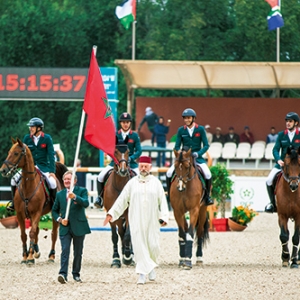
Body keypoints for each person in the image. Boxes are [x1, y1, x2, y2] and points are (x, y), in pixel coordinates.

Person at [103, 156, 169, 285]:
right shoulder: (132, 183)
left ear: (150, 167)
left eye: (146, 166)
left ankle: (151, 266)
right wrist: (111, 213)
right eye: (141, 166)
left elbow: (163, 202)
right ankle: (142, 274)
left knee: (154, 245)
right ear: (138, 167)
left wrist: (164, 217)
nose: (143, 169)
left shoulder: (156, 183)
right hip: (136, 219)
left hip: (152, 220)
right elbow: (122, 200)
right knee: (139, 246)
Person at [166, 108, 214, 206]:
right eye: (185, 118)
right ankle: (168, 195)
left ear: (193, 118)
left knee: (208, 174)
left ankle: (207, 196)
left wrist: (198, 153)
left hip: (197, 157)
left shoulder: (200, 129)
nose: (187, 120)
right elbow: (176, 146)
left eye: (188, 118)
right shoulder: (181, 130)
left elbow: (206, 145)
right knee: (169, 172)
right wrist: (179, 152)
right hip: (184, 158)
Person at [7, 117, 57, 211]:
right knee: (13, 181)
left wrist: (52, 171)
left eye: (32, 127)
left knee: (53, 183)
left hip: (43, 167)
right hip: (29, 167)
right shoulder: (27, 138)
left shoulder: (47, 138)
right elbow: (23, 154)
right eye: (30, 127)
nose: (30, 128)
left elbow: (51, 155)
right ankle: (14, 203)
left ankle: (54, 204)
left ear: (39, 128)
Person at [94, 112, 142, 209]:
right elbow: (109, 149)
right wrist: (115, 159)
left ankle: (141, 200)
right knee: (100, 176)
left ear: (130, 123)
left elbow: (139, 150)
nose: (125, 124)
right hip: (115, 163)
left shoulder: (135, 136)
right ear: (120, 123)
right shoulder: (115, 135)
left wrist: (130, 158)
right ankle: (100, 198)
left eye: (127, 122)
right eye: (123, 122)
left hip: (131, 164)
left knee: (140, 179)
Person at [52, 170, 91, 283]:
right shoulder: (59, 194)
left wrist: (75, 197)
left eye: (69, 179)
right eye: (65, 179)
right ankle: (62, 274)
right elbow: (54, 211)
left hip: (79, 226)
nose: (67, 181)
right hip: (65, 227)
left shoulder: (82, 191)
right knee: (65, 250)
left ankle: (76, 274)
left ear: (75, 180)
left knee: (78, 252)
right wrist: (60, 220)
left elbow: (86, 203)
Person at [265, 112, 300, 213]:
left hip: (297, 166)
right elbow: (275, 149)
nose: (288, 123)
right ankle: (272, 203)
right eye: (287, 121)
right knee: (268, 180)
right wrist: (278, 159)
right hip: (282, 164)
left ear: (296, 123)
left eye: (290, 121)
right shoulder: (281, 135)